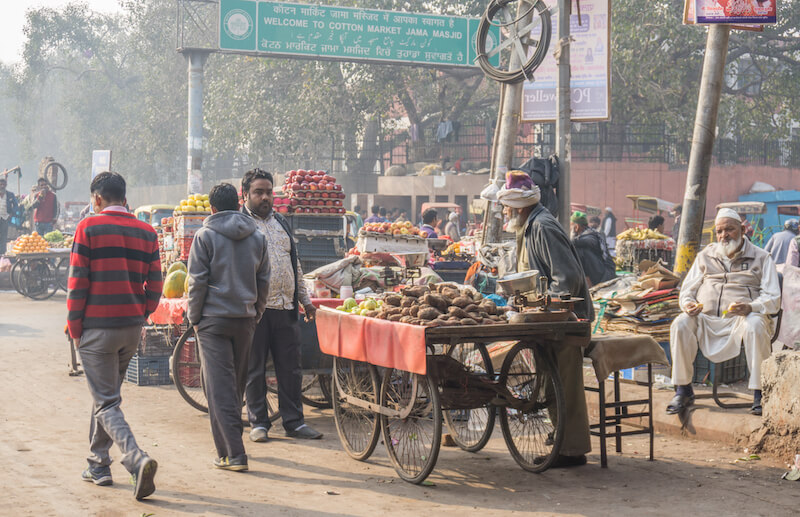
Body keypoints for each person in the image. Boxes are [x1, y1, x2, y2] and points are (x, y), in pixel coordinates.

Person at [66, 171, 161, 499]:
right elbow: (157, 284)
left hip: (96, 329)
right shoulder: (148, 232)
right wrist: (142, 312)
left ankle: (136, 459)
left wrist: (74, 328)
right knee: (106, 396)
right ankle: (98, 463)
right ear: (124, 197)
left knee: (106, 401)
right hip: (130, 329)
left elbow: (78, 281)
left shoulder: (88, 227)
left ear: (97, 199)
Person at [497, 170, 592, 468]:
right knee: (551, 380)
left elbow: (568, 279)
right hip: (549, 319)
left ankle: (571, 449)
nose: (504, 212)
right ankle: (563, 438)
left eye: (505, 207)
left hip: (566, 321)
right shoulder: (529, 226)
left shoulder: (542, 227)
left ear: (517, 207)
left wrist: (547, 306)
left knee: (564, 383)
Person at [187, 183, 270, 471]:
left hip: (213, 321)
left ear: (211, 208)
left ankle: (233, 454)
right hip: (245, 319)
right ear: (238, 203)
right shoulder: (257, 237)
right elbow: (264, 282)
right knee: (234, 387)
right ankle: (227, 451)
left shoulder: (204, 236)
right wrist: (256, 313)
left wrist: (193, 318)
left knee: (219, 389)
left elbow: (196, 283)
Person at [667, 208, 781, 417]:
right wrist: (689, 304)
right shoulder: (705, 256)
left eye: (729, 229)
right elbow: (687, 291)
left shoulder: (762, 257)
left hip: (742, 319)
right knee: (680, 323)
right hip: (706, 319)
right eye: (720, 231)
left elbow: (773, 298)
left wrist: (751, 307)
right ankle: (683, 389)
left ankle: (760, 392)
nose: (724, 235)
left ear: (743, 229)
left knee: (756, 324)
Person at [241, 168, 323, 442]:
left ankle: (294, 422)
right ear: (245, 195)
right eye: (258, 192)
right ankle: (258, 423)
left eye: (269, 192)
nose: (265, 197)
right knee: (255, 369)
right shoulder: (240, 224)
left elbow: (294, 265)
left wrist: (306, 302)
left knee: (291, 368)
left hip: (286, 309)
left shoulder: (282, 223)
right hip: (255, 311)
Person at [570, 211, 616, 287]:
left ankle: (588, 283)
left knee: (580, 251)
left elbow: (587, 241)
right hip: (600, 271)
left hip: (606, 273)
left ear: (577, 226)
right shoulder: (587, 233)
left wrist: (571, 237)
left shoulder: (591, 235)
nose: (570, 228)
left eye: (571, 225)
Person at [0, 176, 19, 254]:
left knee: (3, 237)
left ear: (6, 185)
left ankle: (2, 254)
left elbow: (16, 205)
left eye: (3, 185)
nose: (2, 186)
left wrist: (11, 214)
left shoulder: (10, 194)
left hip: (5, 218)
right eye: (0, 185)